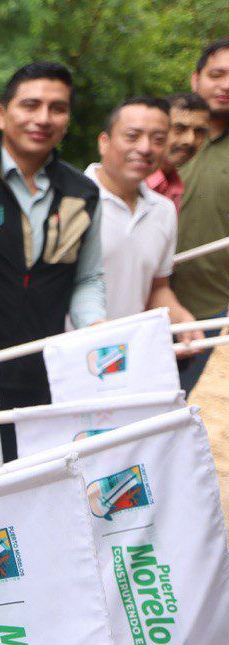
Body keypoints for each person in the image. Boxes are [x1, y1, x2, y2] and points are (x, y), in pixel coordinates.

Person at [0, 61, 106, 460]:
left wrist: (98, 329)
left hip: (45, 377)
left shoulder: (83, 192)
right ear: (2, 115)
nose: (43, 118)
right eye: (30, 105)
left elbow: (87, 279)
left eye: (57, 108)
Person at [86, 97, 200, 347]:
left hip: (132, 353)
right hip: (69, 355)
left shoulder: (164, 210)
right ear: (104, 142)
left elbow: (157, 287)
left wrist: (180, 317)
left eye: (158, 139)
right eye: (132, 136)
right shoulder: (72, 201)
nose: (146, 148)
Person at [173, 39, 229, 394]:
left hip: (208, 308)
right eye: (216, 74)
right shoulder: (160, 131)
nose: (225, 85)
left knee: (174, 405)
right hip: (135, 301)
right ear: (196, 79)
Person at [146, 92, 212, 211]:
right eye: (179, 129)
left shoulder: (174, 187)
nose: (190, 140)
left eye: (199, 131)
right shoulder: (130, 182)